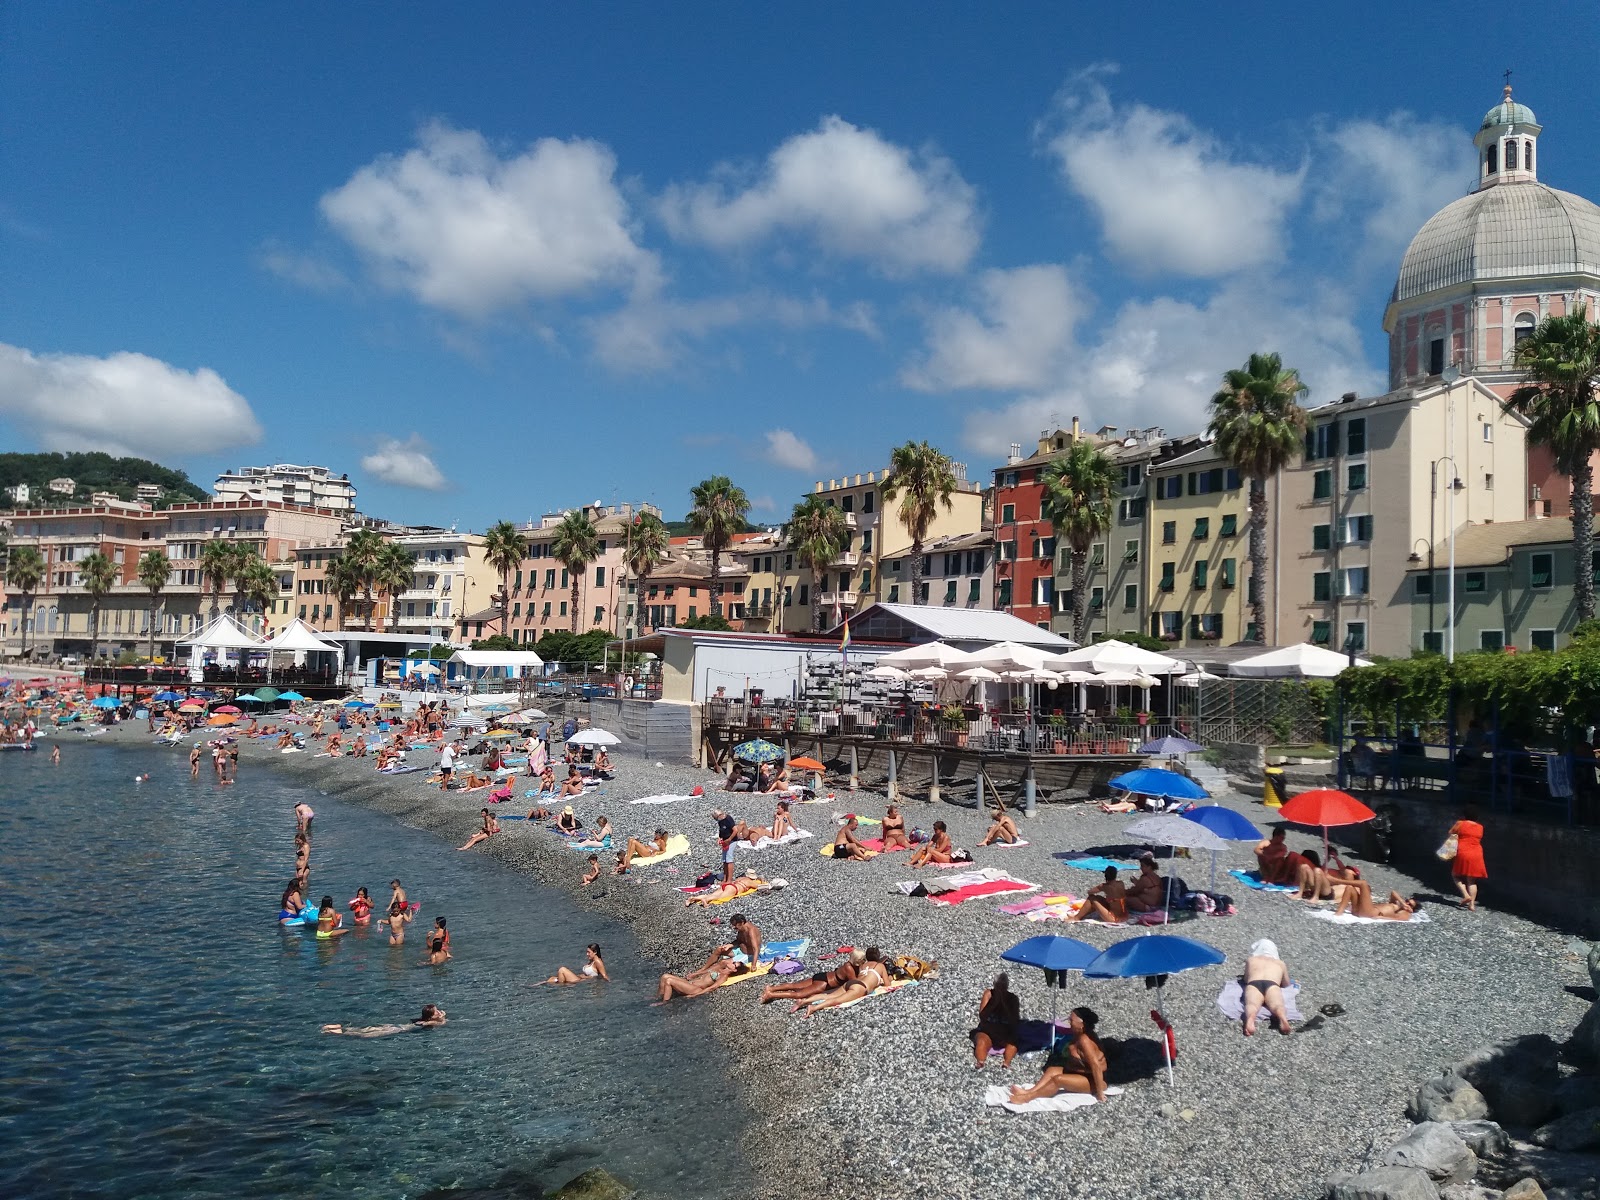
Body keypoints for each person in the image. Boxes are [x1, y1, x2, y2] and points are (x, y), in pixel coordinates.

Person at [1007, 1008, 1109, 1105]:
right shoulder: (1078, 1035)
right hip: (1081, 1073)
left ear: (1081, 1025)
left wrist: (1100, 1093)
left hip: (1096, 1080)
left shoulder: (1085, 1041)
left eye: (1071, 1020)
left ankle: (1027, 1098)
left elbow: (1096, 1065)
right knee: (1052, 1070)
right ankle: (1028, 1092)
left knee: (1058, 1080)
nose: (1069, 1022)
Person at [794, 946, 891, 1017]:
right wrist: (889, 978)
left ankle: (804, 1001)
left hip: (851, 983)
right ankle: (813, 1008)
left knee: (829, 995)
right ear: (878, 957)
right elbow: (887, 985)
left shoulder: (862, 965)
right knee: (837, 1000)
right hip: (860, 987)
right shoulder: (880, 966)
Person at [760, 951, 860, 1005]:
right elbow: (855, 983)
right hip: (823, 984)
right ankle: (771, 994)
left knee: (795, 985)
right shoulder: (850, 969)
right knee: (798, 994)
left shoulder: (847, 964)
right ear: (857, 961)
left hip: (822, 976)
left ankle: (771, 988)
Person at [1240, 938, 1293, 1036]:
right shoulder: (1280, 963)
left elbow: (1246, 979)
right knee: (1278, 1005)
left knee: (1252, 1005)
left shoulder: (1251, 960)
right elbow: (1286, 984)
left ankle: (1250, 1019)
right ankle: (1282, 1018)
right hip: (1272, 984)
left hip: (1254, 983)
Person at [654, 946, 739, 1005]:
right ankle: (658, 996)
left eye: (734, 964)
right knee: (665, 976)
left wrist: (695, 995)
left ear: (734, 970)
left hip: (696, 989)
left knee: (669, 981)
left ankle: (665, 1003)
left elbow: (712, 988)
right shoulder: (721, 968)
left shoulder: (723, 977)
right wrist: (695, 974)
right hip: (690, 983)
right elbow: (708, 971)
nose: (732, 962)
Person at [971, 973, 1022, 1068]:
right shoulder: (989, 994)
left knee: (1013, 1043)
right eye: (999, 986)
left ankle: (1006, 1062)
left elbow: (1015, 1020)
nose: (1001, 988)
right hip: (988, 1032)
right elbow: (982, 1016)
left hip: (1004, 1033)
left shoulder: (1013, 999)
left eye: (1003, 986)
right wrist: (994, 1002)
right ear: (994, 985)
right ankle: (980, 1061)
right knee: (981, 1041)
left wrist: (1004, 1004)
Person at [1448, 807, 1487, 912]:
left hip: (1463, 851)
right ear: (1477, 817)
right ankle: (1472, 904)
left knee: (1455, 875)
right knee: (1472, 880)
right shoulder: (1480, 827)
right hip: (1477, 853)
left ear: (1464, 815)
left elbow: (1451, 833)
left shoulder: (1460, 823)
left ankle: (1465, 895)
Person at [322, 1005, 447, 1036]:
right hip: (397, 1029)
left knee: (368, 1030)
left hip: (396, 1026)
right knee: (367, 1035)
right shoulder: (430, 1022)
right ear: (431, 1016)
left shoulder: (421, 1020)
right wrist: (442, 1017)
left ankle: (341, 1028)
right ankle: (339, 1032)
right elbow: (442, 1024)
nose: (439, 1012)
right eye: (437, 1011)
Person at [1332, 879, 1422, 921]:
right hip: (1361, 910)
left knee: (1363, 884)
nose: (1407, 903)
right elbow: (1393, 892)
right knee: (1350, 888)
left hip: (1370, 913)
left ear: (1411, 909)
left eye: (1410, 904)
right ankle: (1339, 913)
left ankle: (1335, 881)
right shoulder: (1397, 905)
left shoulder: (1406, 913)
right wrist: (1402, 903)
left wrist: (1381, 917)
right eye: (1407, 901)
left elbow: (1399, 919)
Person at [542, 943, 609, 985]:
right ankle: (535, 986)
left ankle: (561, 987)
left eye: (589, 952)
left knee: (562, 969)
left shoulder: (598, 962)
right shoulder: (592, 961)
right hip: (579, 978)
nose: (587, 954)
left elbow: (604, 975)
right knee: (552, 979)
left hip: (580, 981)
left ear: (595, 952)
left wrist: (610, 984)